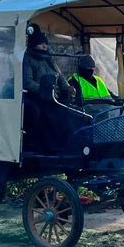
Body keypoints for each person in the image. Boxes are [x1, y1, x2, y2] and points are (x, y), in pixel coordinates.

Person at [22, 24, 82, 153]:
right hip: (40, 97)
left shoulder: (48, 59)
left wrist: (67, 88)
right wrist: (46, 90)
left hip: (55, 96)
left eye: (45, 43)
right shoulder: (28, 60)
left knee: (75, 112)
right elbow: (27, 82)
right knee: (58, 115)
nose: (45, 46)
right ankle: (55, 147)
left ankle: (75, 143)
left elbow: (59, 76)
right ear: (33, 44)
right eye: (41, 43)